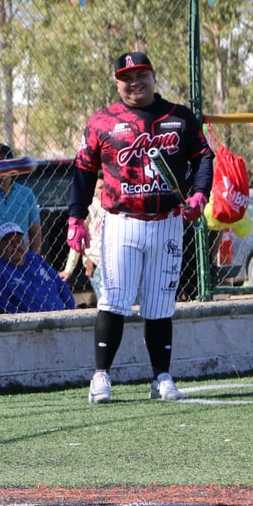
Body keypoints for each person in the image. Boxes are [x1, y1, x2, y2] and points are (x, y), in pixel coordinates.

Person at [67, 51, 213, 404]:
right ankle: (100, 376)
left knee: (161, 303)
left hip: (167, 221)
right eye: (127, 77)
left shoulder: (179, 117)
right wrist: (76, 218)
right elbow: (84, 171)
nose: (135, 83)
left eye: (142, 74)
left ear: (153, 76)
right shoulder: (102, 121)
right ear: (117, 82)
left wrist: (199, 195)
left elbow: (204, 157)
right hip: (121, 222)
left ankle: (161, 376)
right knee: (114, 299)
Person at [0, 222, 75, 314]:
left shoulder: (35, 259)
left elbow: (61, 286)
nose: (16, 246)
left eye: (18, 241)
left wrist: (71, 312)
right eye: (10, 242)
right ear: (0, 245)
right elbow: (6, 309)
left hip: (63, 316)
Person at [60, 175, 106, 305]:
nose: (104, 191)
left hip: (117, 262)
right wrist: (69, 269)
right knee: (107, 304)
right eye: (100, 187)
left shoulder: (116, 206)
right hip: (98, 264)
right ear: (94, 190)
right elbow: (77, 241)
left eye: (107, 187)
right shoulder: (90, 208)